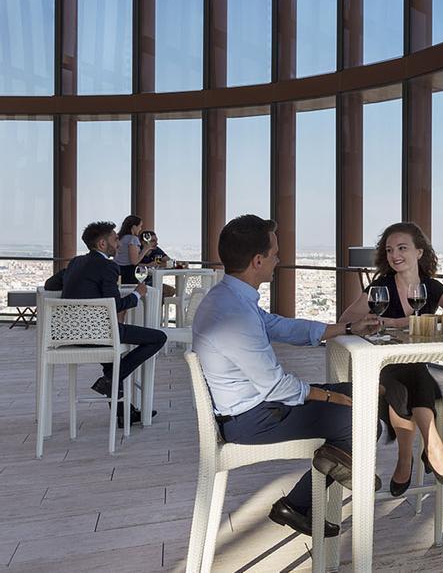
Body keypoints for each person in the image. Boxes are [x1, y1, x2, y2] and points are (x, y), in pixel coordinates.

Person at [190, 214, 382, 538]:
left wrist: (347, 328)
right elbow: (278, 386)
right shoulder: (235, 314)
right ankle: (300, 502)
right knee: (362, 421)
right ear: (258, 260)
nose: (280, 260)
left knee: (359, 393)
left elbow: (280, 326)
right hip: (251, 418)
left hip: (252, 407)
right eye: (276, 254)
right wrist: (335, 398)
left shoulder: (230, 298)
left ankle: (333, 466)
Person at [338, 222, 443, 496]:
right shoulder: (381, 286)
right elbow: (346, 320)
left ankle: (406, 457)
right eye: (389, 249)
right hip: (382, 367)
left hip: (409, 369)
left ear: (419, 252)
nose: (394, 254)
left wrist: (419, 322)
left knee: (411, 377)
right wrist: (392, 322)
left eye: (402, 247)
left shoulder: (432, 287)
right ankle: (434, 448)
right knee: (413, 378)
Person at [43, 221, 167, 425]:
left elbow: (50, 284)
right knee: (158, 338)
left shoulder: (75, 263)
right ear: (102, 244)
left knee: (111, 359)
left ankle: (121, 412)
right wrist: (137, 294)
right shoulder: (109, 266)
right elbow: (115, 305)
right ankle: (111, 379)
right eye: (115, 239)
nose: (118, 244)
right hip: (99, 334)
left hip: (70, 335)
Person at [114, 215, 149, 284]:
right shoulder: (132, 239)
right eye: (140, 226)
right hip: (128, 272)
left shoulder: (120, 238)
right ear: (134, 227)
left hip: (117, 270)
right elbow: (134, 261)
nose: (140, 229)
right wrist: (146, 249)